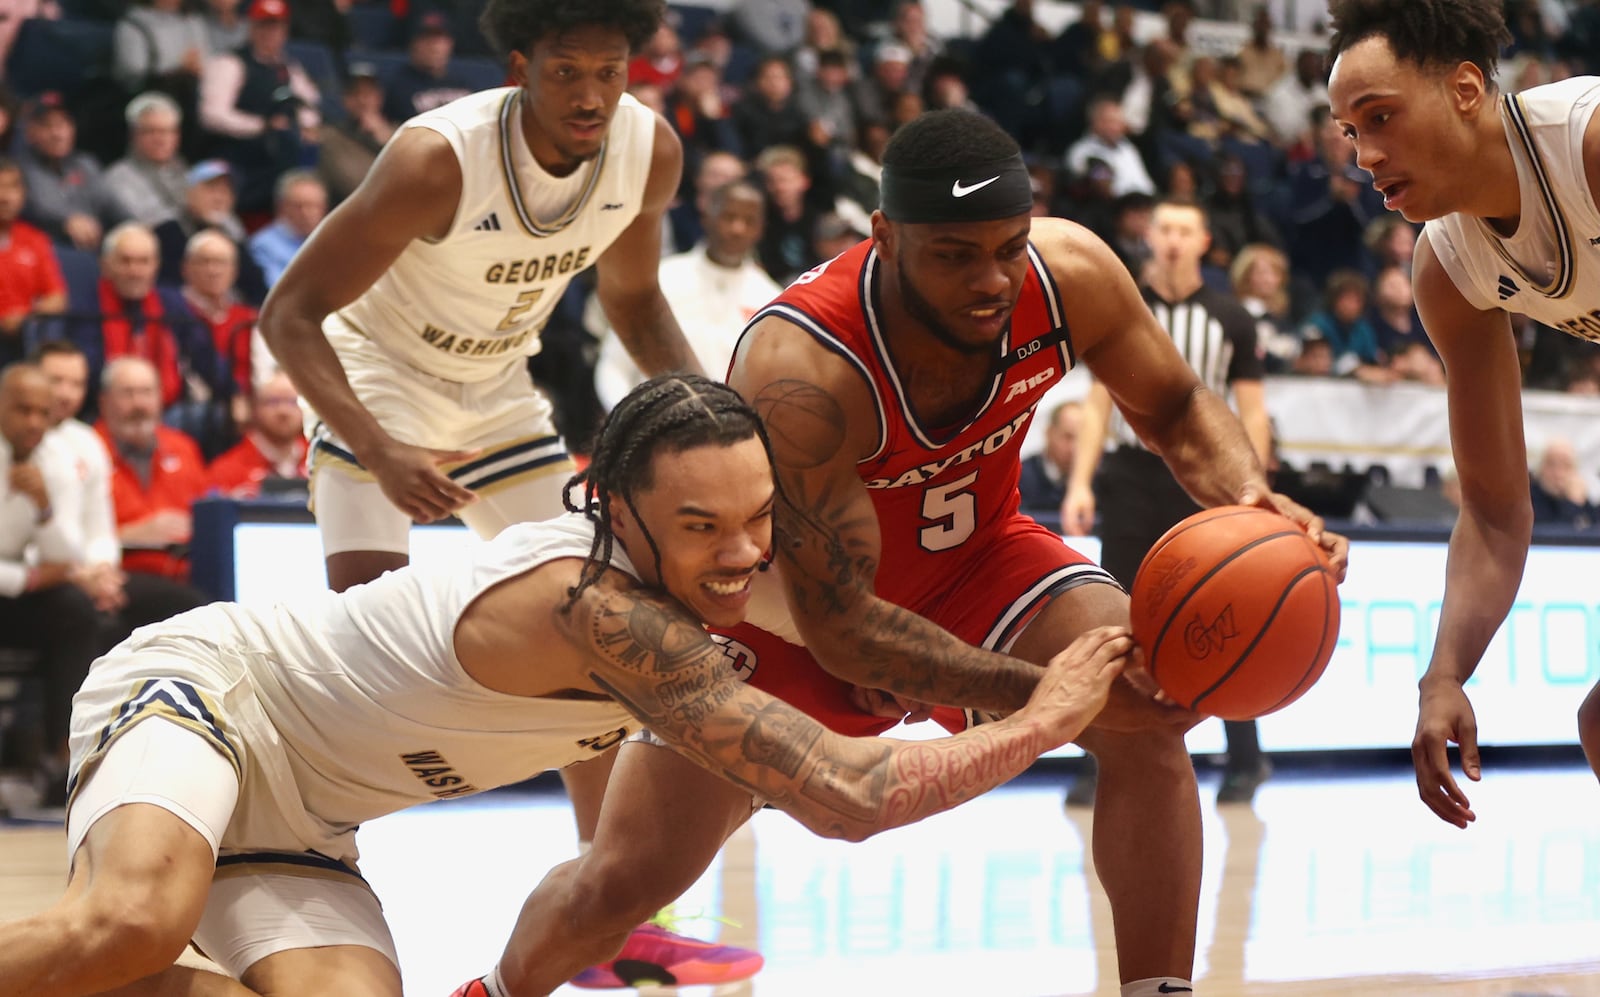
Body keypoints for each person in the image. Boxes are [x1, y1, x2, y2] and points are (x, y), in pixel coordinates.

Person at [489, 109, 1348, 997]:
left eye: (1008, 248)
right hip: (791, 612)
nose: (991, 279)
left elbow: (1173, 408)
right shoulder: (802, 367)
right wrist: (1052, 697)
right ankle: (495, 985)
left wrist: (1253, 500)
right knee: (625, 878)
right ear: (886, 237)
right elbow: (843, 630)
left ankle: (1157, 989)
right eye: (954, 255)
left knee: (1145, 711)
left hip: (983, 559)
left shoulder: (1071, 275)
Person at [0, 373, 1130, 997]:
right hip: (210, 694)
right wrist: (1043, 717)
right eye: (700, 527)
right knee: (133, 922)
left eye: (755, 518)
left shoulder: (734, 567)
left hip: (308, 818)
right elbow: (845, 793)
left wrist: (1034, 674)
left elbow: (868, 639)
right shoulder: (597, 610)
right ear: (617, 512)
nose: (740, 553)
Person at [255, 0, 720, 982]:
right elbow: (288, 312)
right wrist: (376, 449)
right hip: (374, 378)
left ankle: (615, 916)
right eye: (566, 74)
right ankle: (290, 871)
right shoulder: (439, 160)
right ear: (520, 67)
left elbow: (632, 302)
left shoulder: (649, 151)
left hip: (498, 389)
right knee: (363, 656)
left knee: (609, 626)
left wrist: (716, 425)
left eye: (610, 71)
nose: (591, 94)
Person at [1325, 0, 1598, 828]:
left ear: (1468, 88)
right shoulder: (1449, 269)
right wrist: (1444, 673)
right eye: (1349, 133)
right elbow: (1493, 511)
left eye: (1381, 118)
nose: (1366, 155)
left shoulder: (1588, 144)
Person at [1062, 198, 1275, 807]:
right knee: (1108, 612)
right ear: (1150, 237)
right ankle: (1099, 756)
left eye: (1186, 229)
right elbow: (1100, 405)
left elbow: (1251, 411)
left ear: (1205, 240)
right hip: (1130, 474)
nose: (1175, 240)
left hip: (1200, 474)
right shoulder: (1126, 309)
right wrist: (1080, 481)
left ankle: (1245, 757)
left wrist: (1249, 488)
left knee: (1219, 617)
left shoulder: (1231, 317)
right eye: (1165, 229)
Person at [0, 362, 109, 808]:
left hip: (16, 595)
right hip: (16, 582)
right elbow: (46, 568)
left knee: (78, 611)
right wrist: (27, 577)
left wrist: (44, 508)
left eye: (42, 413)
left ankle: (61, 758)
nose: (33, 423)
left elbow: (68, 555)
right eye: (22, 410)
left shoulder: (57, 462)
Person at [589, 179, 778, 411]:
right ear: (707, 215)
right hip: (654, 424)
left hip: (732, 434)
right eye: (729, 217)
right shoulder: (662, 278)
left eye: (749, 221)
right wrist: (625, 420)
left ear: (762, 228)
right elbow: (614, 363)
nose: (737, 229)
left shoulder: (771, 299)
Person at [1018, 398, 1080, 513]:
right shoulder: (1021, 477)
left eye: (1081, 439)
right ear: (1049, 433)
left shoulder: (1098, 480)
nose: (1074, 447)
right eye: (1068, 437)